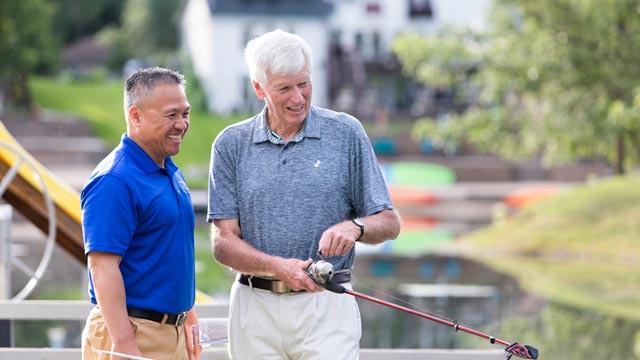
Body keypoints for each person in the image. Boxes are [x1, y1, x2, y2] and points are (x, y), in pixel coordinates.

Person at [207, 29, 401, 359]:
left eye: (304, 83)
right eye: (284, 88)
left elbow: (389, 223)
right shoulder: (230, 144)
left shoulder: (346, 133)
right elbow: (223, 244)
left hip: (327, 308)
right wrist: (278, 267)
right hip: (255, 311)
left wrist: (354, 228)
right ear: (259, 88)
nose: (298, 97)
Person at [81, 67, 200, 360]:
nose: (181, 124)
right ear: (135, 116)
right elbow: (102, 268)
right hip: (131, 334)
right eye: (171, 115)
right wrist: (124, 345)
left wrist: (187, 313)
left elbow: (169, 254)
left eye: (185, 114)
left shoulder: (167, 169)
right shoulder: (114, 180)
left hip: (171, 333)